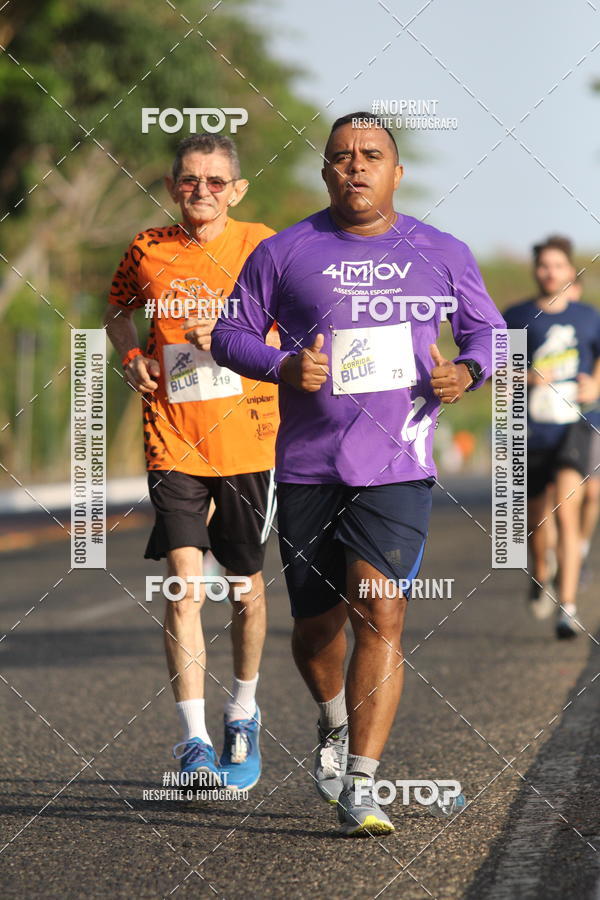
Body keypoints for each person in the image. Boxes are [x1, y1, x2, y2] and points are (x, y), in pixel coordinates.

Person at [212, 111, 505, 834]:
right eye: (341, 157)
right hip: (310, 467)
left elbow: (490, 332)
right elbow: (228, 332)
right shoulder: (285, 251)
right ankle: (332, 725)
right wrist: (281, 363)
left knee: (381, 606)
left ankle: (364, 785)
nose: (356, 167)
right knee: (316, 629)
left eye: (372, 155)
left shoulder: (441, 251)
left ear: (396, 172)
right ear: (325, 173)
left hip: (398, 462)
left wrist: (467, 370)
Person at [103, 133, 279, 791]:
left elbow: (302, 323)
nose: (200, 191)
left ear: (237, 190)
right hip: (173, 436)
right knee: (184, 585)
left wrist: (239, 336)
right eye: (188, 180)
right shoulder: (147, 249)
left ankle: (244, 709)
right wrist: (131, 358)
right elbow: (117, 312)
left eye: (214, 181)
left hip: (250, 440)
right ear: (173, 187)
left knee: (243, 587)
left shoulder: (264, 246)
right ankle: (195, 742)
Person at [504, 236, 600, 638]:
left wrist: (594, 385)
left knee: (567, 505)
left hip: (576, 424)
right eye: (544, 265)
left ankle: (569, 607)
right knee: (535, 519)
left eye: (558, 265)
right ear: (536, 271)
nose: (550, 272)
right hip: (531, 427)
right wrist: (528, 377)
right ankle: (540, 574)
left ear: (569, 271)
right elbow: (499, 372)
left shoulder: (588, 316)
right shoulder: (515, 315)